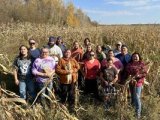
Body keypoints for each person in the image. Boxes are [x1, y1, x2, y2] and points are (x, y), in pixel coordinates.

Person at [125, 52, 147, 119]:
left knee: (137, 97)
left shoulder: (141, 64)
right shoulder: (129, 64)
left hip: (138, 83)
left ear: (139, 57)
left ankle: (138, 115)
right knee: (132, 97)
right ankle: (132, 111)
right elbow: (127, 70)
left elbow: (145, 73)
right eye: (134, 56)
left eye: (136, 56)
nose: (135, 57)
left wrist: (139, 75)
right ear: (132, 57)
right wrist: (131, 75)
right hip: (131, 82)